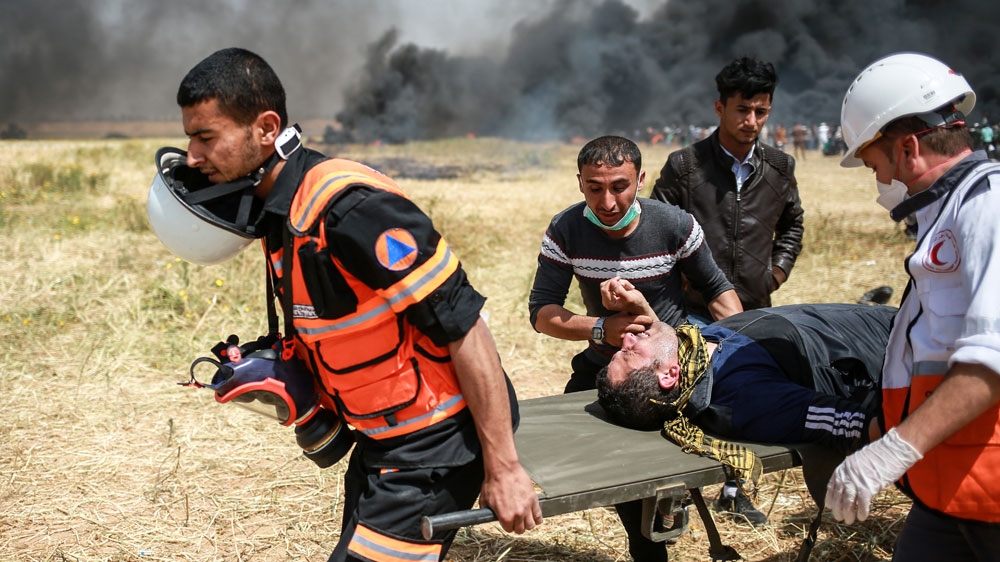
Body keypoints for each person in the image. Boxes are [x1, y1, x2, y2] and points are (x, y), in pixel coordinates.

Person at [147, 47, 541, 562]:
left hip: (438, 443)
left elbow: (464, 326)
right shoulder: (278, 212)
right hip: (383, 440)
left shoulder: (350, 208)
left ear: (266, 128)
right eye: (189, 139)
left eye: (206, 138)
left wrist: (505, 467)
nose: (194, 156)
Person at [528, 135, 741, 562]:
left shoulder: (675, 225)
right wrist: (602, 330)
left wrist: (742, 344)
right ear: (580, 183)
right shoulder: (566, 229)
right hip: (605, 368)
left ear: (641, 179)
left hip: (669, 374)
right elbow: (542, 313)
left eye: (620, 186)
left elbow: (718, 291)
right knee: (594, 457)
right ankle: (647, 527)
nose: (607, 200)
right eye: (594, 187)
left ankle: (667, 519)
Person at [827, 52, 1000, 561]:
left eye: (873, 164)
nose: (876, 180)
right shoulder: (948, 213)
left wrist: (894, 450)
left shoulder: (988, 206)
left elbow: (993, 354)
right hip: (950, 485)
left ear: (907, 148)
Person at [651, 57, 804, 327]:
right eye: (742, 110)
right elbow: (656, 230)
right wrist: (681, 279)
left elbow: (792, 226)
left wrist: (775, 274)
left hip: (755, 310)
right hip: (693, 312)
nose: (751, 121)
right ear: (719, 108)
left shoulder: (780, 168)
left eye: (761, 112)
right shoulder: (684, 166)